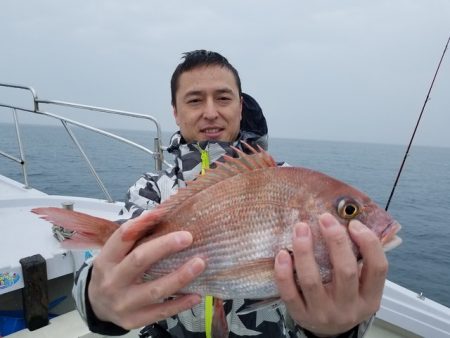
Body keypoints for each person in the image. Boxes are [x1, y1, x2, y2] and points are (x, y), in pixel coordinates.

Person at [72, 50, 387, 337]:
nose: (210, 112)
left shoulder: (286, 179)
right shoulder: (151, 190)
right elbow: (105, 266)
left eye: (223, 98)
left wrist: (337, 330)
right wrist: (97, 299)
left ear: (240, 106)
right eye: (195, 100)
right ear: (176, 112)